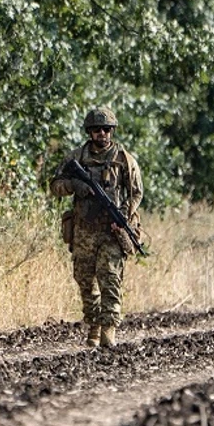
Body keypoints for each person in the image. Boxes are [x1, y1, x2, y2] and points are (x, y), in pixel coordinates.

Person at [49, 106, 143, 347]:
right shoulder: (76, 158)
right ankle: (94, 324)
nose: (102, 134)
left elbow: (136, 193)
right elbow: (55, 186)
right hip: (83, 230)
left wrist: (123, 215)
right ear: (89, 132)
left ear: (112, 131)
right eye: (96, 130)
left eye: (106, 129)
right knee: (84, 279)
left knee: (110, 278)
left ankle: (109, 328)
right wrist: (74, 185)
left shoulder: (124, 159)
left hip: (112, 230)